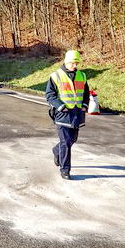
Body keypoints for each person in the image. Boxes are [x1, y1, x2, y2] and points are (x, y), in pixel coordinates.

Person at [45, 50, 90, 180]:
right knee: (65, 142)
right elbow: (50, 95)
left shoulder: (82, 75)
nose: (75, 65)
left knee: (72, 140)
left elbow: (86, 94)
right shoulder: (55, 76)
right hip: (62, 114)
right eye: (73, 63)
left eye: (77, 63)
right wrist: (60, 106)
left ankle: (56, 150)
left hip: (77, 114)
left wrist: (85, 106)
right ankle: (65, 170)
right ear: (66, 61)